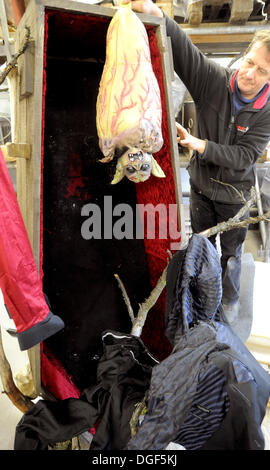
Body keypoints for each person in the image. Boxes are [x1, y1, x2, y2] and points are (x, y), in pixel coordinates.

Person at [124, 0, 270, 321]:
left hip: (235, 197)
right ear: (244, 55)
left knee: (230, 257)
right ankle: (199, 298)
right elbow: (184, 49)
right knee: (200, 249)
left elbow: (244, 156)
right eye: (249, 62)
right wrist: (155, 12)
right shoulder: (213, 81)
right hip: (202, 189)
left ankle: (228, 305)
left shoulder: (267, 111)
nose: (249, 73)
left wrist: (199, 144)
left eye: (262, 71)